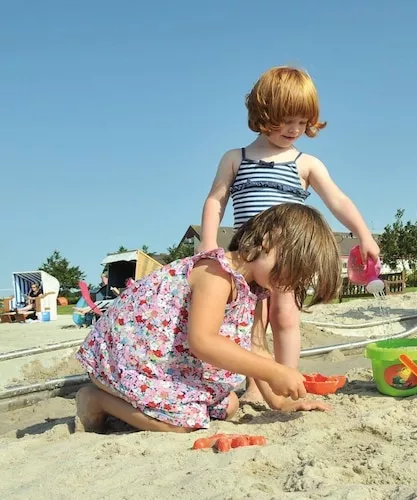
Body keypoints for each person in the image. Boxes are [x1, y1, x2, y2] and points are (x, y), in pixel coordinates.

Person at [197, 66, 380, 405]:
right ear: (262, 114)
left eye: (301, 122)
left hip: (288, 259)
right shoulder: (236, 158)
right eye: (284, 121)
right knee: (250, 323)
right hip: (249, 260)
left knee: (285, 316)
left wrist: (363, 235)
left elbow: (337, 199)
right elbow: (216, 199)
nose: (293, 130)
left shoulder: (305, 163)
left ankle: (287, 378)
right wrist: (208, 245)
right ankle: (257, 383)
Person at [74, 204, 342, 433]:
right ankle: (96, 400)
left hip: (169, 366)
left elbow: (256, 347)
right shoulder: (216, 274)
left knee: (229, 406)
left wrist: (279, 402)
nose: (288, 284)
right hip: (127, 360)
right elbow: (203, 341)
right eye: (292, 270)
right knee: (186, 423)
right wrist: (275, 371)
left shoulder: (255, 288)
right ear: (270, 239)